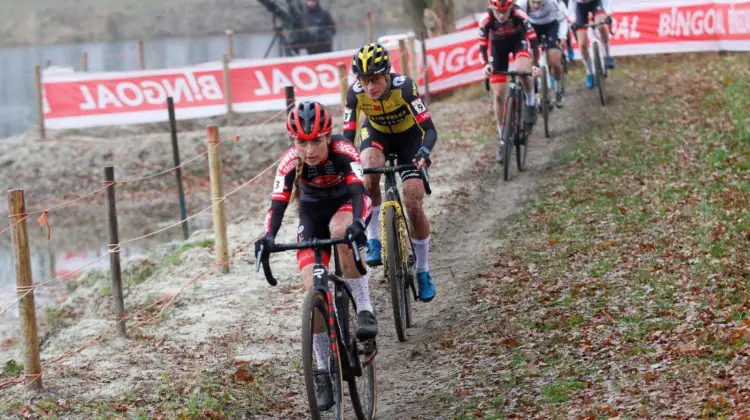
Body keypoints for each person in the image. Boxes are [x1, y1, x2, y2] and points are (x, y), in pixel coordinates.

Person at [254, 101, 376, 410]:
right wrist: (267, 237)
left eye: (316, 141)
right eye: (301, 142)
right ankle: (322, 370)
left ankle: (364, 308)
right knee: (313, 288)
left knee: (340, 230)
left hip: (348, 206)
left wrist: (359, 224)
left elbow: (359, 193)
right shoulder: (288, 163)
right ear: (293, 142)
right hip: (311, 213)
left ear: (328, 137)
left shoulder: (344, 152)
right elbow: (277, 206)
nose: (309, 150)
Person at [342, 43, 438, 302]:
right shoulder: (355, 94)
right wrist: (346, 167)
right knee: (368, 170)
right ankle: (374, 239)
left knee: (412, 200)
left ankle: (423, 270)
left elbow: (430, 130)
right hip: (377, 135)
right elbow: (347, 137)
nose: (370, 87)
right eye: (364, 80)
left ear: (387, 75)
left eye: (374, 80)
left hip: (410, 139)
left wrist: (424, 154)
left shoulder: (405, 88)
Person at [478, 0, 539, 163]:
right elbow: (482, 47)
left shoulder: (520, 15)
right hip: (498, 48)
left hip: (518, 43)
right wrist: (485, 65)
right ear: (492, 9)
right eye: (497, 12)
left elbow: (533, 40)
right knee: (498, 95)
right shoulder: (486, 19)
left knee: (522, 71)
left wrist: (536, 65)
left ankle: (531, 101)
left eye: (505, 12)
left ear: (511, 7)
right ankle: (502, 139)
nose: (501, 15)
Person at [517, 0, 569, 107]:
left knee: (554, 61)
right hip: (533, 27)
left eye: (539, 2)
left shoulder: (552, 2)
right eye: (533, 2)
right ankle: (535, 94)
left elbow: (562, 20)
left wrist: (563, 36)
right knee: (531, 61)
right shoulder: (521, 3)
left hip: (550, 27)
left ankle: (558, 89)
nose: (536, 6)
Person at [569, 0, 615, 89]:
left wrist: (608, 13)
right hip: (580, 8)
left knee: (602, 26)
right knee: (582, 44)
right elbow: (572, 4)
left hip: (596, 3)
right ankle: (589, 73)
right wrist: (573, 21)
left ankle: (607, 56)